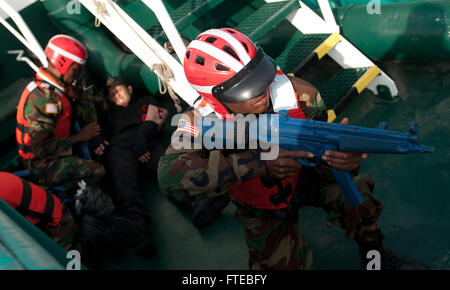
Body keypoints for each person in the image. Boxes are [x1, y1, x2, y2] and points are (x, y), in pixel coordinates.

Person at [157, 28, 429, 269]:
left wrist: (344, 158)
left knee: (356, 196)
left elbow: (323, 147)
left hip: (306, 176)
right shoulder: (199, 122)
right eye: (246, 90)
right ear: (213, 96)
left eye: (261, 76)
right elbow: (168, 178)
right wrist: (258, 163)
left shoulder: (301, 95)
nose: (262, 91)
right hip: (260, 202)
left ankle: (375, 257)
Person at [16, 34, 107, 191]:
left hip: (61, 146)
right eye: (76, 69)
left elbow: (83, 103)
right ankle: (77, 197)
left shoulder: (61, 88)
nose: (77, 75)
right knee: (96, 171)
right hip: (41, 165)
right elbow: (41, 148)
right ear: (63, 64)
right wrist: (82, 137)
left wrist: (94, 133)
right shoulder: (44, 100)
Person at [97, 76, 168, 257]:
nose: (115, 96)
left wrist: (141, 138)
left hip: (145, 140)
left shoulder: (144, 102)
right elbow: (100, 134)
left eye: (118, 90)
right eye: (111, 95)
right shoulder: (107, 115)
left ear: (130, 88)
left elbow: (156, 117)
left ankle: (198, 204)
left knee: (166, 169)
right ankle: (137, 230)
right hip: (120, 147)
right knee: (125, 184)